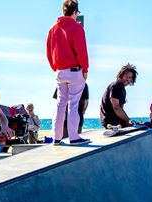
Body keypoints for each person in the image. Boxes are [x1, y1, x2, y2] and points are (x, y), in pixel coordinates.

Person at [46, 0, 90, 146]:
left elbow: (48, 51)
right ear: (75, 12)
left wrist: (56, 67)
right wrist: (85, 69)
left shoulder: (53, 29)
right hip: (74, 71)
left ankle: (56, 138)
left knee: (60, 104)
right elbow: (81, 52)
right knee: (73, 104)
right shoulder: (77, 28)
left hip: (59, 71)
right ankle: (74, 137)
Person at [100, 63, 138, 129]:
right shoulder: (116, 86)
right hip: (110, 121)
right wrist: (127, 120)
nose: (128, 79)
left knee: (138, 124)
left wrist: (128, 120)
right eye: (126, 76)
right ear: (121, 75)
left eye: (130, 77)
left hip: (116, 119)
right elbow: (116, 107)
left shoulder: (122, 89)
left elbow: (121, 109)